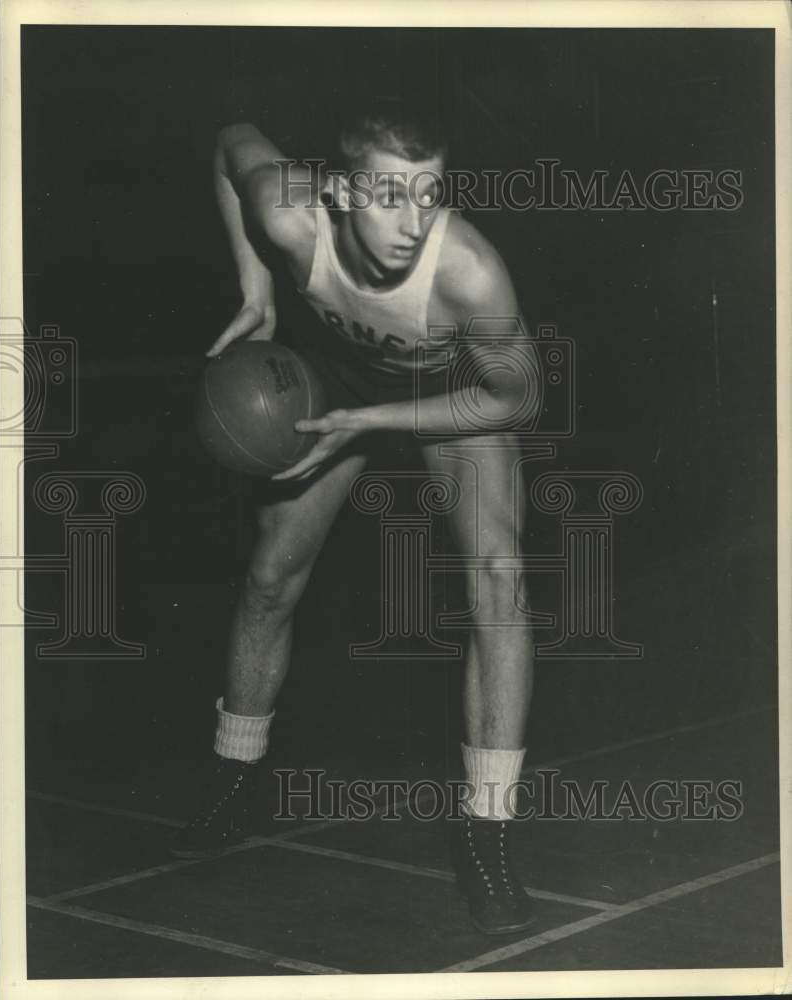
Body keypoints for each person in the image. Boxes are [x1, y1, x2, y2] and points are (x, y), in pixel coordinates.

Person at [170, 97, 540, 935]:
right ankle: (235, 781)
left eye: (430, 194)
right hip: (338, 373)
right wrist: (254, 279)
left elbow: (515, 394)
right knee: (271, 574)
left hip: (453, 398)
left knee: (500, 579)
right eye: (387, 196)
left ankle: (488, 835)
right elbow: (231, 140)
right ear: (337, 193)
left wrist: (365, 428)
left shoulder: (468, 273)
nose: (411, 221)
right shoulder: (289, 211)